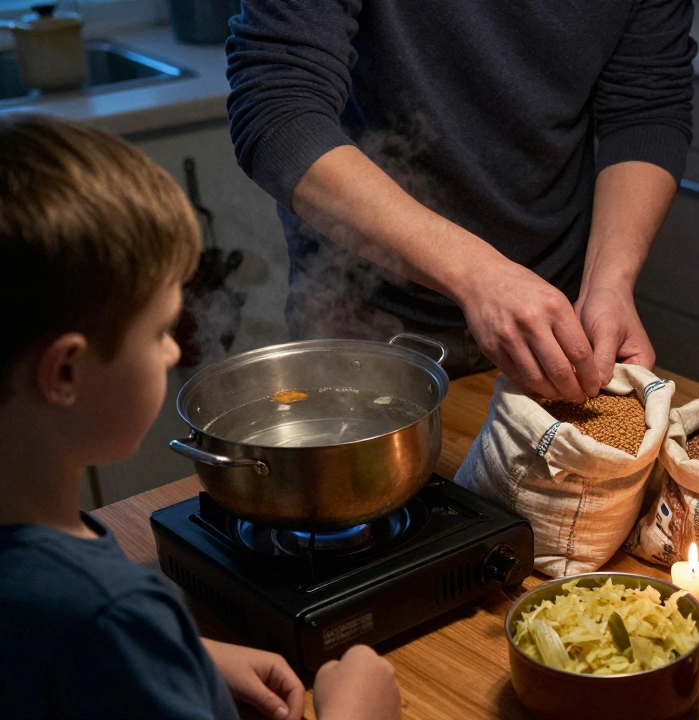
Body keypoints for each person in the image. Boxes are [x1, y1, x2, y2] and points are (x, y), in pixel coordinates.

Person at [0, 115, 401, 720]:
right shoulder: (107, 616)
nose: (171, 353)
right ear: (65, 373)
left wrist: (182, 655)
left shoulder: (65, 590)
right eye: (160, 331)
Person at [225, 1, 696, 403]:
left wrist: (607, 282)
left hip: (558, 318)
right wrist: (479, 276)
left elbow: (645, 109)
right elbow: (279, 110)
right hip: (367, 318)